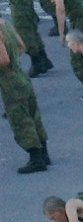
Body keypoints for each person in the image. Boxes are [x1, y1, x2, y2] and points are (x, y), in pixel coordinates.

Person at [0, 15, 51, 174]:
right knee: (33, 115)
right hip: (20, 75)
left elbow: (3, 60)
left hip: (9, 81)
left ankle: (36, 159)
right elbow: (21, 45)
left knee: (20, 120)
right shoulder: (5, 25)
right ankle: (44, 154)